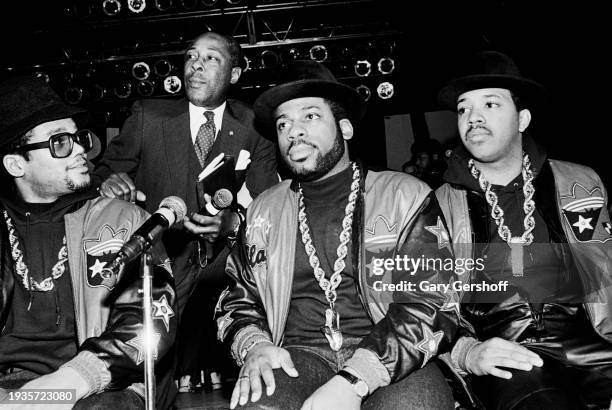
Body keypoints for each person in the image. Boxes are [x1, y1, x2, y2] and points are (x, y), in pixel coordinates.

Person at [215, 60, 464, 410]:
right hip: (298, 354)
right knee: (256, 403)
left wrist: (354, 379)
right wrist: (254, 345)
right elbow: (236, 299)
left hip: (391, 349)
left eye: (310, 117)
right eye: (283, 123)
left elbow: (430, 301)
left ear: (345, 128)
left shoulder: (404, 195)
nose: (293, 131)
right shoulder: (263, 210)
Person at [93, 31, 279, 393]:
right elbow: (102, 174)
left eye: (212, 58)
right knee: (151, 362)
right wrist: (108, 183)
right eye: (192, 55)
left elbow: (268, 207)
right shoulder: (149, 115)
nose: (197, 64)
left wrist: (232, 223)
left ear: (235, 74)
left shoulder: (255, 126)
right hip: (159, 260)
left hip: (222, 262)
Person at [436, 51, 612, 409]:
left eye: (490, 103)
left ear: (523, 119)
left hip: (589, 338)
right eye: (463, 108)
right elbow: (423, 304)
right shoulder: (437, 205)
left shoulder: (580, 181)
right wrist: (466, 352)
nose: (474, 117)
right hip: (505, 350)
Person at [0, 75, 177, 408]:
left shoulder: (124, 220)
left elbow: (151, 319)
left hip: (100, 382)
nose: (81, 149)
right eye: (60, 142)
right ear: (15, 164)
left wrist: (72, 380)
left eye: (78, 138)